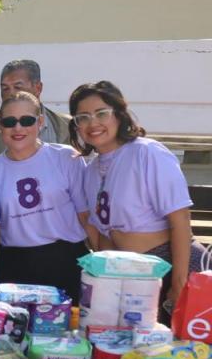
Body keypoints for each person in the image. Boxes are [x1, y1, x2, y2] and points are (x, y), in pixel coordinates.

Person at [72, 80, 200, 313]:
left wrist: (180, 283)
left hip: (170, 264)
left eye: (101, 113)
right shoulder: (90, 171)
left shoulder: (147, 152)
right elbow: (107, 234)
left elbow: (180, 219)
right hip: (132, 277)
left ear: (119, 115)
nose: (93, 123)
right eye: (83, 117)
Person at [0, 91, 89, 302]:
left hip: (66, 261)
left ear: (40, 122)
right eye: (9, 122)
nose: (18, 128)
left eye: (26, 120)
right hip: (14, 266)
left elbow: (87, 217)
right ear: (0, 125)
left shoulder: (66, 157)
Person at [0, 59, 72, 161]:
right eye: (5, 88)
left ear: (38, 88)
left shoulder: (64, 126)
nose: (11, 94)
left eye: (18, 87)